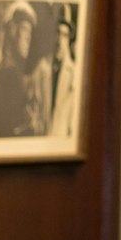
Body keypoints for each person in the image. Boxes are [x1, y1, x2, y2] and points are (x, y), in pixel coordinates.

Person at [0, 2, 47, 140]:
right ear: (13, 32)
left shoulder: (21, 75)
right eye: (24, 29)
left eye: (30, 31)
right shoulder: (7, 75)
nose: (28, 37)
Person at [50, 12, 79, 142]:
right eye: (58, 33)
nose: (60, 40)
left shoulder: (73, 73)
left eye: (64, 35)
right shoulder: (43, 69)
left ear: (68, 40)